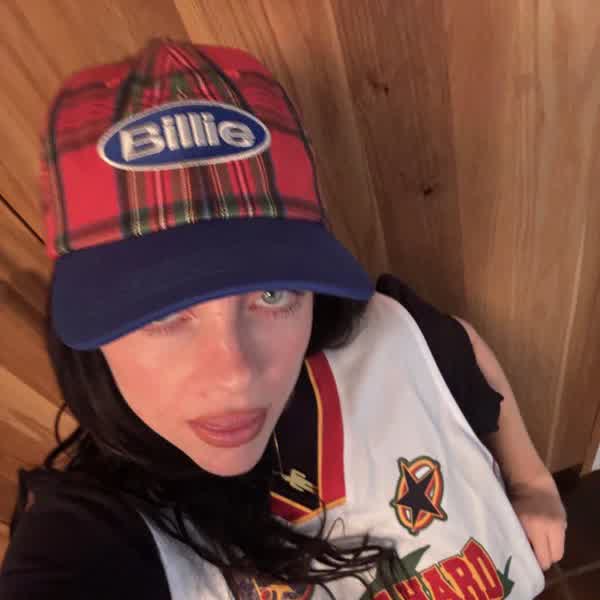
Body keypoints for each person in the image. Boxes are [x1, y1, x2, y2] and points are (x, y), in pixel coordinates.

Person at [0, 38, 566, 600]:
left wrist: (533, 482)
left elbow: (457, 347)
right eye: (165, 310)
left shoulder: (388, 337)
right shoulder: (89, 537)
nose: (236, 375)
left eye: (272, 293)